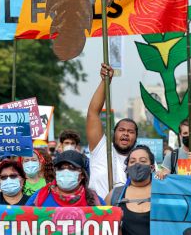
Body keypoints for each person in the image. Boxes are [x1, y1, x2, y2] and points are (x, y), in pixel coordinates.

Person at [87, 64, 138, 198]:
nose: (126, 133)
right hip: (99, 214)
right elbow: (93, 113)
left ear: (136, 137)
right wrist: (105, 82)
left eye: (131, 132)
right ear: (113, 133)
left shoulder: (142, 158)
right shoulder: (101, 148)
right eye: (121, 130)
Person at [26, 150, 103, 207]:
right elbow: (23, 218)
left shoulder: (94, 200)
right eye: (61, 168)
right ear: (56, 172)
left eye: (72, 168)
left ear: (82, 175)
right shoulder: (40, 196)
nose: (66, 171)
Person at [106, 145, 154, 235]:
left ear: (152, 167)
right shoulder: (115, 195)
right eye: (132, 161)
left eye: (143, 161)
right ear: (127, 168)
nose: (137, 164)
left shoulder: (163, 192)